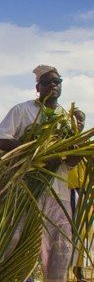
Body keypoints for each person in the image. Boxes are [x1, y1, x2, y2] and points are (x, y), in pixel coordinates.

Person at [0, 65, 78, 282]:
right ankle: (10, 277)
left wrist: (72, 151)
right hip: (27, 186)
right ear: (37, 87)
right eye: (47, 82)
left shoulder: (67, 118)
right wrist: (34, 151)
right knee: (16, 238)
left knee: (61, 242)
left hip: (59, 189)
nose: (53, 86)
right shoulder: (23, 110)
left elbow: (73, 161)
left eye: (57, 82)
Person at [68, 109, 87, 282]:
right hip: (66, 193)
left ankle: (79, 269)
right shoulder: (63, 142)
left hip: (83, 194)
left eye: (81, 121)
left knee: (82, 234)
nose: (78, 123)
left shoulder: (86, 144)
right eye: (74, 120)